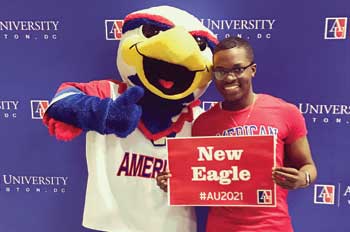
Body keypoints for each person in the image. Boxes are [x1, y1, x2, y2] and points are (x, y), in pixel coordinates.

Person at [156, 36, 317, 232]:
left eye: (238, 69)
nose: (229, 78)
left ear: (253, 70)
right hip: (221, 227)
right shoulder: (203, 124)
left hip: (273, 226)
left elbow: (308, 166)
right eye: (221, 71)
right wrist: (175, 183)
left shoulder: (286, 112)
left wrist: (303, 179)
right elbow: (197, 177)